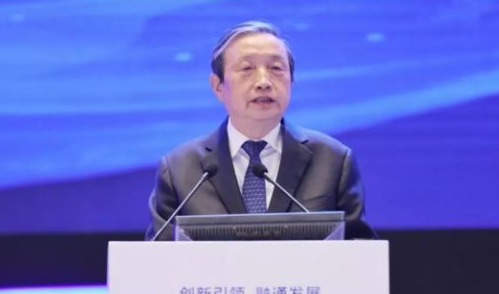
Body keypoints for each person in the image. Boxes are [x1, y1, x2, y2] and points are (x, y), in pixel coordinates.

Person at [146, 21, 376, 240]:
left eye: (276, 68)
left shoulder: (333, 159)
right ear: (217, 86)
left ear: (291, 82)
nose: (264, 82)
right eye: (247, 69)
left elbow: (360, 250)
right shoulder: (179, 168)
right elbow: (157, 257)